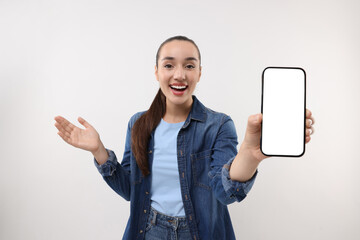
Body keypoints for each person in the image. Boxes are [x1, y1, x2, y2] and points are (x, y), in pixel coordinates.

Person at [54, 36, 315, 240]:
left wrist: (249, 154)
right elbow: (129, 190)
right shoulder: (139, 123)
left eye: (189, 65)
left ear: (200, 72)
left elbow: (225, 193)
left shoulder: (219, 125)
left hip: (199, 233)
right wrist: (98, 150)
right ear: (156, 72)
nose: (179, 74)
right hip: (149, 230)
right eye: (169, 65)